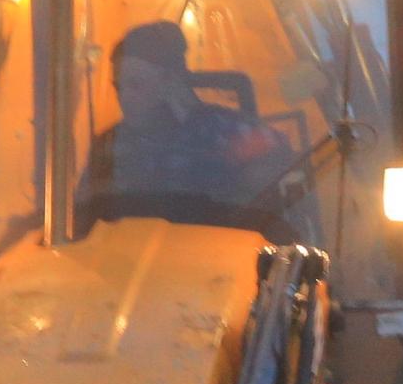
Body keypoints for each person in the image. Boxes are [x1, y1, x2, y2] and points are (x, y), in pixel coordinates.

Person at [82, 21, 295, 234]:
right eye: (118, 86)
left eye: (136, 85)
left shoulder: (223, 130)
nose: (124, 97)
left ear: (170, 82)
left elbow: (286, 169)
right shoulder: (108, 145)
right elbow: (82, 219)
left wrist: (242, 171)